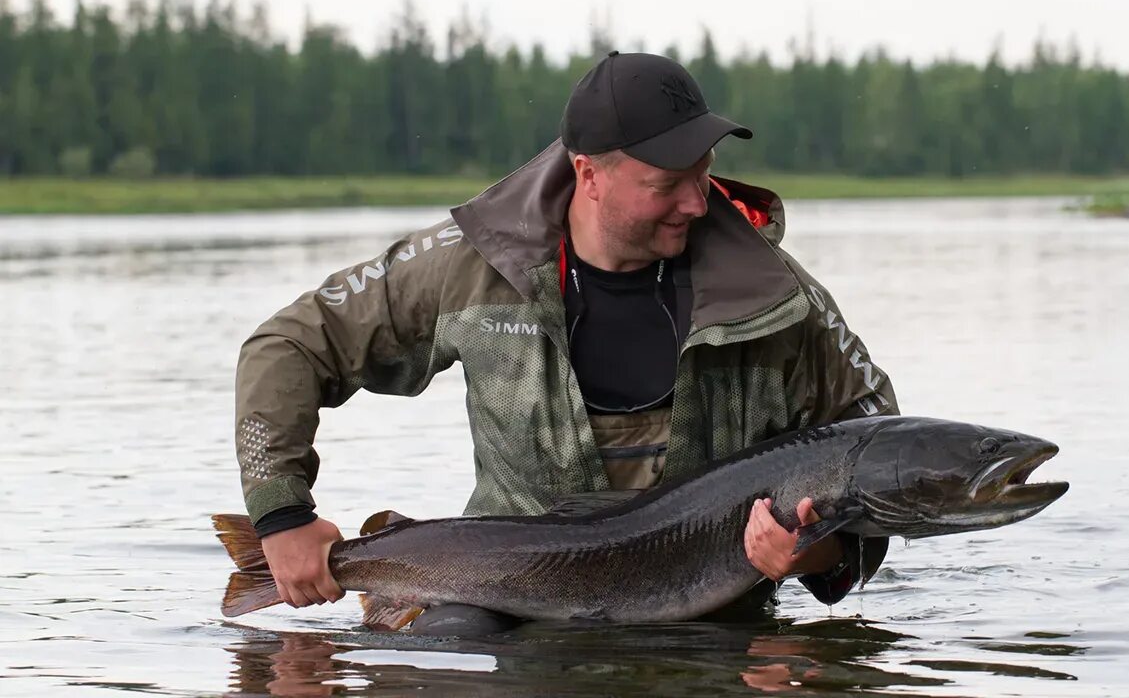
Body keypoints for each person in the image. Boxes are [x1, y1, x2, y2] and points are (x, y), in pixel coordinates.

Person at [234, 51, 898, 631]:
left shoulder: (776, 296)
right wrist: (281, 516)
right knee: (453, 647)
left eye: (704, 172)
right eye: (667, 185)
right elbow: (288, 345)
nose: (697, 202)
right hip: (499, 604)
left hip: (713, 616)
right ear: (588, 174)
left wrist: (821, 553)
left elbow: (879, 447)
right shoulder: (470, 265)